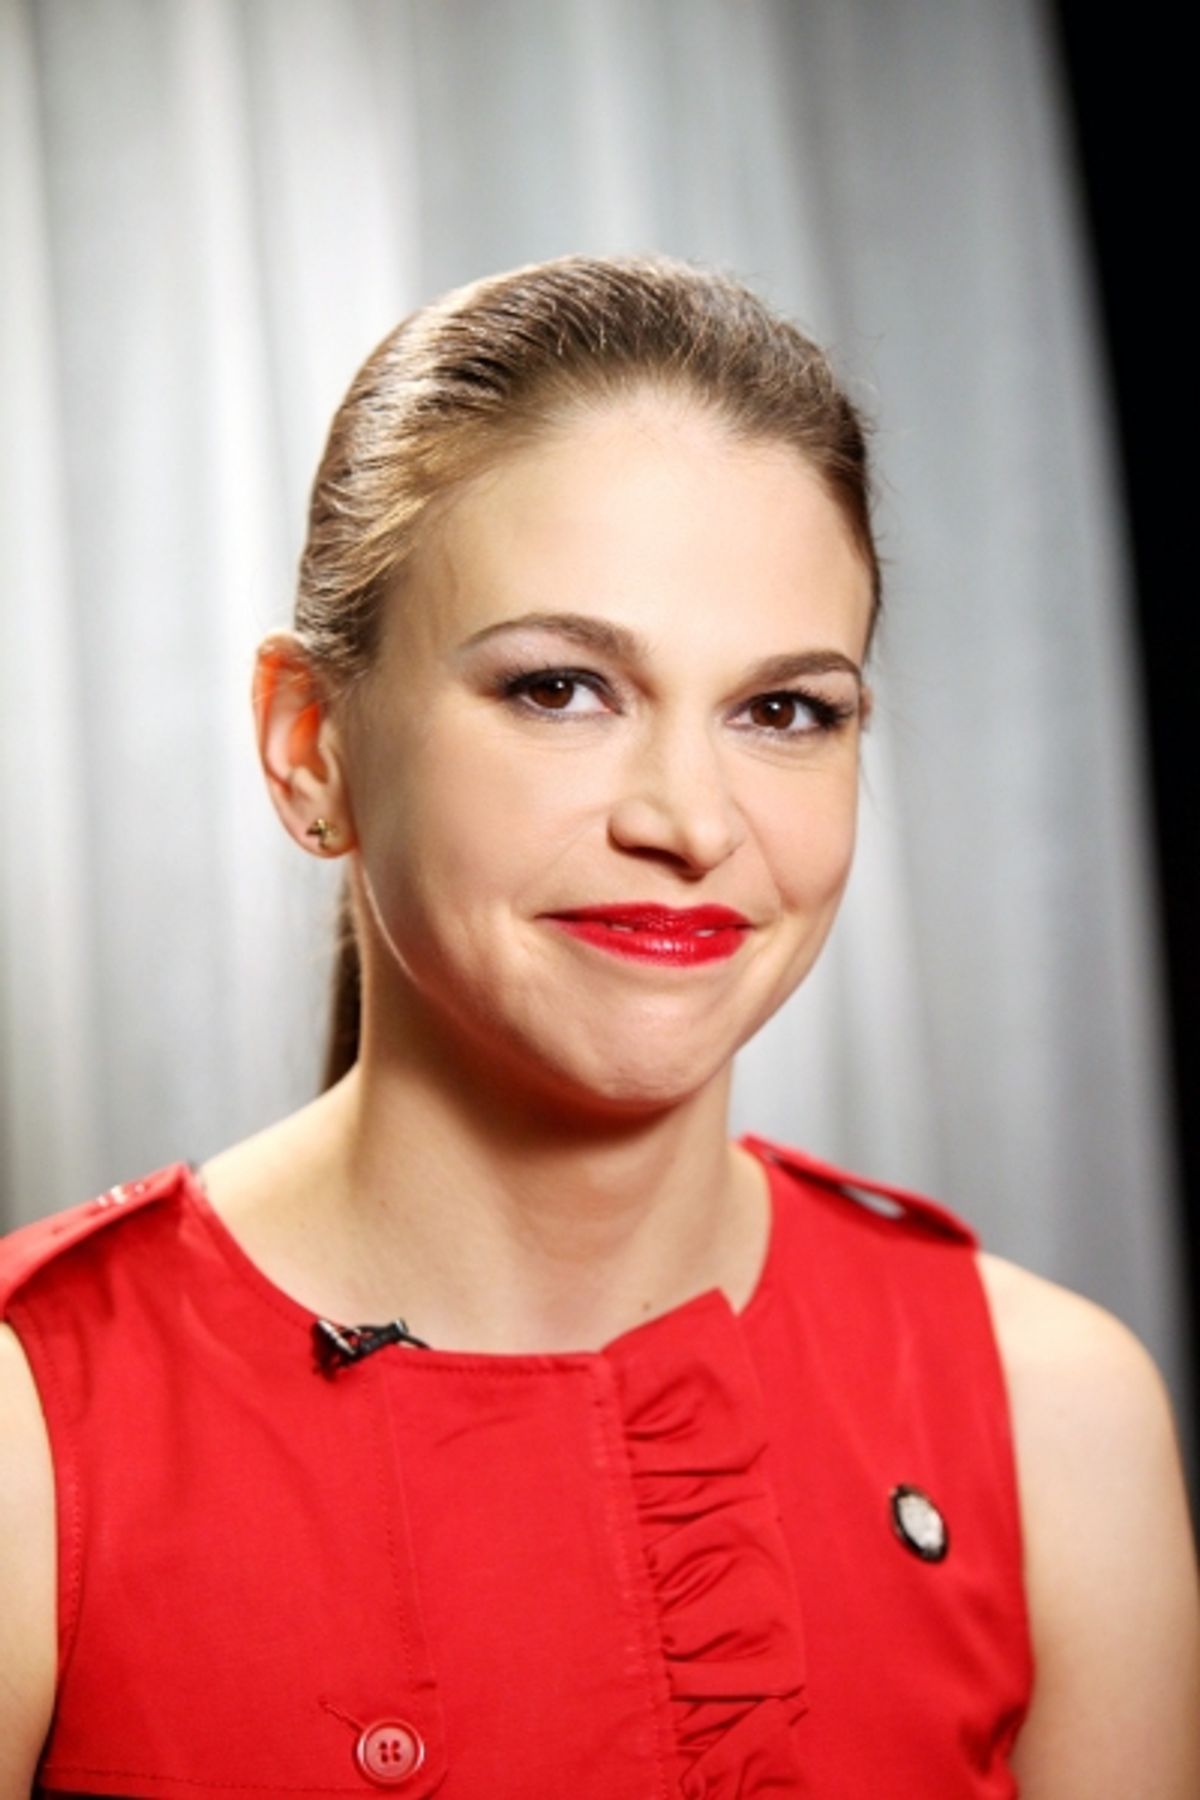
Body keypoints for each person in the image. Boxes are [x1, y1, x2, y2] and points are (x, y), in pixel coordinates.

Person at [1, 255, 1196, 1800]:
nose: (691, 821)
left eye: (785, 711)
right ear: (312, 749)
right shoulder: (32, 1430)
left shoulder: (1059, 1415)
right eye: (562, 687)